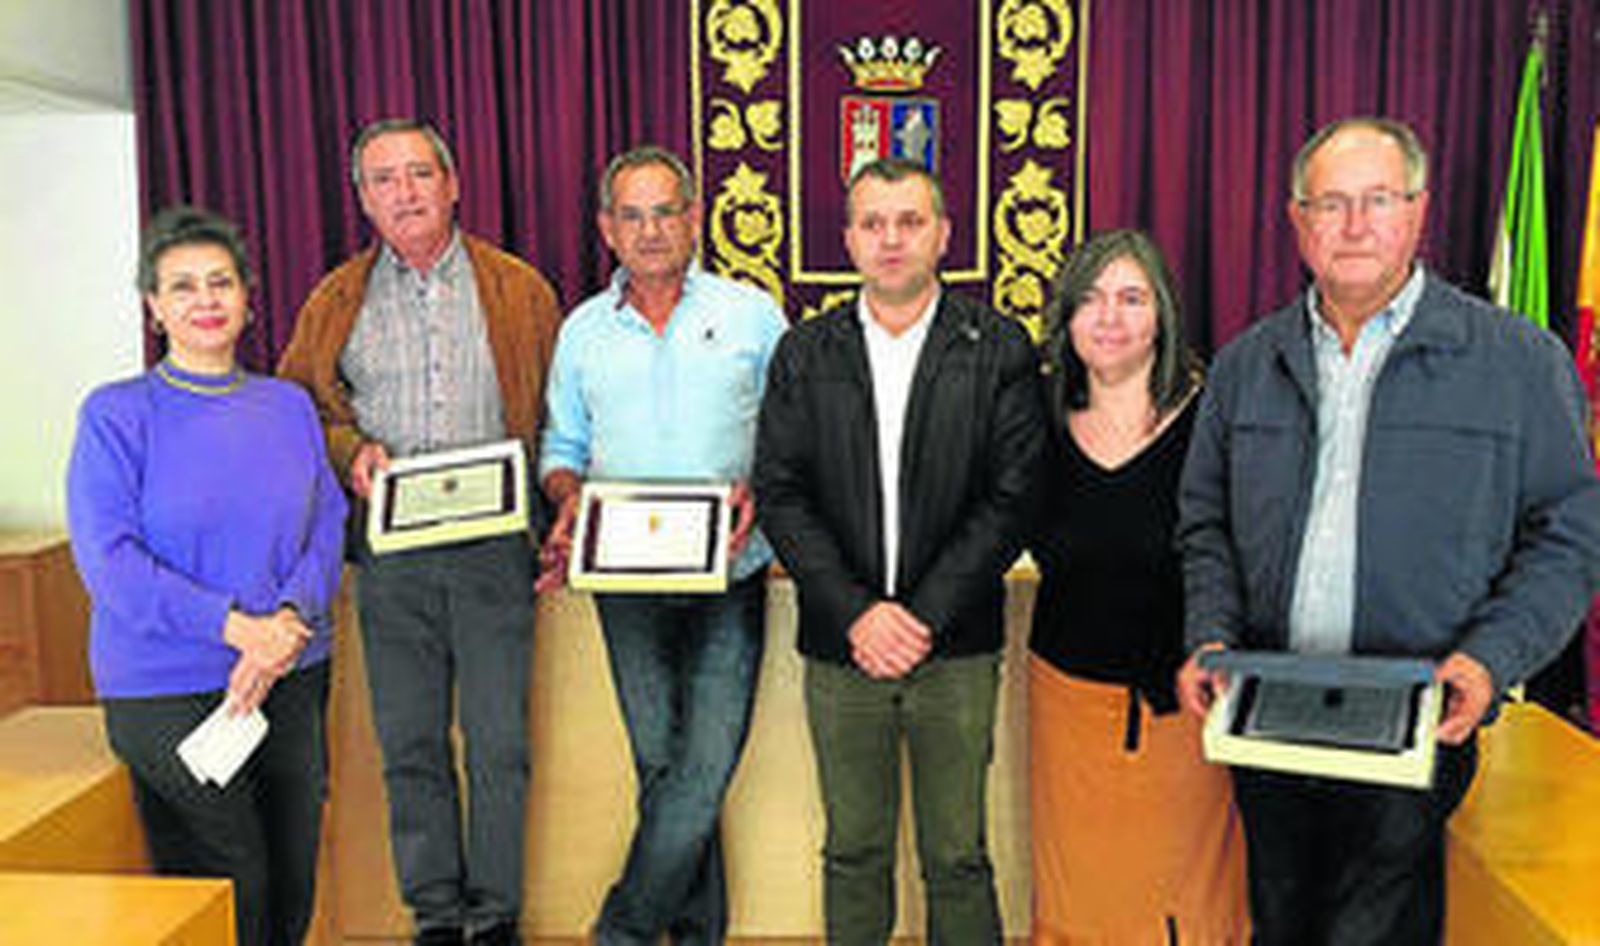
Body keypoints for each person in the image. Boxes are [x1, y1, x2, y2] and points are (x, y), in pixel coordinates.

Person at [1176, 116, 1600, 944]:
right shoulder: (1243, 365)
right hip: (1268, 713)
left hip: (1418, 720)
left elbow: (1570, 533)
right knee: (1282, 924)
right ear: (1297, 221)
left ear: (1418, 210)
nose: (1356, 223)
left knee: (1375, 931)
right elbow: (1206, 527)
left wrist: (1491, 659)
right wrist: (1212, 636)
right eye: (1331, 203)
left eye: (1378, 199)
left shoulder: (1514, 359)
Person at [277, 118, 561, 946]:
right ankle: (436, 913)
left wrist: (549, 521)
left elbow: (555, 416)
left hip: (496, 549)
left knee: (501, 741)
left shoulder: (521, 290)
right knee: (409, 739)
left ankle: (496, 913)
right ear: (362, 198)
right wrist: (349, 451)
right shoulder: (335, 300)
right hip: (392, 551)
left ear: (453, 182)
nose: (404, 192)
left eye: (418, 174)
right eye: (382, 179)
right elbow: (301, 410)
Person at [754, 156, 1047, 944]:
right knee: (853, 850)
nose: (892, 240)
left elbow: (1013, 498)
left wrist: (918, 616)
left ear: (944, 234)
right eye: (873, 223)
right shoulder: (805, 352)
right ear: (848, 238)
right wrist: (857, 615)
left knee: (957, 855)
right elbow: (779, 493)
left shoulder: (999, 346)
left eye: (910, 221)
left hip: (954, 649)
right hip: (841, 649)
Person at [66, 206, 346, 946]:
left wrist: (285, 623)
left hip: (291, 668)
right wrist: (238, 629)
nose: (205, 300)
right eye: (182, 286)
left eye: (220, 282)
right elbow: (109, 560)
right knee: (232, 874)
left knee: (291, 873)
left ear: (249, 296)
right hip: (168, 682)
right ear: (154, 307)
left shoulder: (287, 405)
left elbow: (326, 525)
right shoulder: (116, 415)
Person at [536, 145, 786, 945]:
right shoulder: (581, 332)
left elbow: (796, 438)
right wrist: (569, 499)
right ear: (607, 228)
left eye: (666, 211)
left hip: (732, 573)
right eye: (632, 215)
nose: (651, 231)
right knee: (664, 769)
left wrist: (766, 493)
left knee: (704, 763)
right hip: (624, 582)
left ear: (694, 216)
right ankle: (698, 936)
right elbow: (561, 448)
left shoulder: (753, 315)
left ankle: (623, 931)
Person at [1028, 229, 1248, 944]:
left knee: (1185, 892)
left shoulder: (1213, 419)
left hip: (1185, 700)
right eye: (1090, 300)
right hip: (1067, 696)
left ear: (1163, 313)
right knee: (1078, 890)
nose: (1110, 318)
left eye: (1131, 298)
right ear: (1066, 317)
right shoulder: (1035, 418)